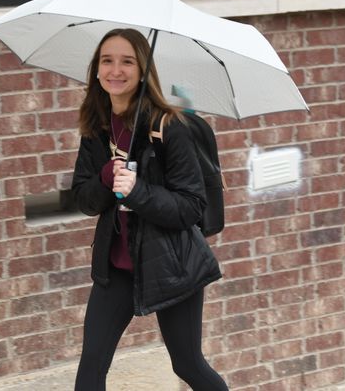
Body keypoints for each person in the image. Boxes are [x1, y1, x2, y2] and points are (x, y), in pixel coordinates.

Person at [71, 28, 229, 391]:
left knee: (188, 364)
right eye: (107, 60)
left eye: (128, 61)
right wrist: (108, 177)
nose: (116, 70)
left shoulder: (168, 128)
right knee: (91, 367)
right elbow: (83, 199)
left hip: (171, 264)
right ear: (96, 69)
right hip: (117, 267)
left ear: (143, 70)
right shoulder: (95, 127)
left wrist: (138, 191)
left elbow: (191, 207)